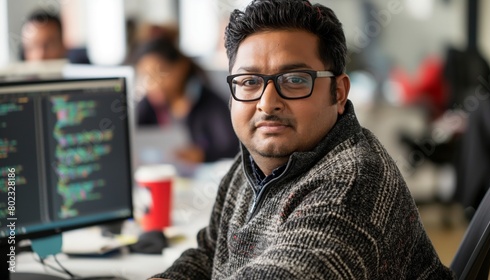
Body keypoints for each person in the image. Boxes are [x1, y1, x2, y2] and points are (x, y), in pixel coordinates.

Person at [149, 0, 454, 279]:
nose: (267, 103)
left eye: (294, 80)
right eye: (249, 81)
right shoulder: (251, 166)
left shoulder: (353, 183)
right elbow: (208, 255)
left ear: (338, 93)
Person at [133, 37, 239, 163]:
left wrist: (203, 156)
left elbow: (233, 149)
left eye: (160, 73)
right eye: (145, 76)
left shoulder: (211, 104)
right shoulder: (147, 106)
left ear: (181, 68)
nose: (153, 83)